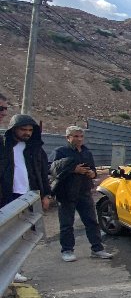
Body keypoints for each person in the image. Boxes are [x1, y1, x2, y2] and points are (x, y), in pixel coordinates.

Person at [50, 126, 114, 262]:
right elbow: (51, 169)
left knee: (91, 222)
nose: (79, 139)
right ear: (68, 137)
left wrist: (92, 173)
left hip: (84, 192)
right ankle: (67, 250)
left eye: (81, 136)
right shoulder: (60, 152)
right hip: (66, 193)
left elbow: (93, 170)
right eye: (75, 136)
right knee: (67, 224)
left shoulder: (87, 152)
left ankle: (97, 249)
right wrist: (73, 169)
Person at [1, 114, 52, 282]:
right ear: (14, 129)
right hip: (8, 196)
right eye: (23, 129)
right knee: (7, 235)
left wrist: (46, 194)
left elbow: (43, 174)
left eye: (30, 130)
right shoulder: (3, 147)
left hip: (29, 196)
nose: (27, 133)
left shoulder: (35, 149)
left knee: (22, 235)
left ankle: (14, 269)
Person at [0, 94, 30, 283]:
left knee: (12, 235)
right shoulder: (6, 144)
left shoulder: (29, 147)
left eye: (4, 108)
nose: (3, 112)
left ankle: (9, 271)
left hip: (16, 195)